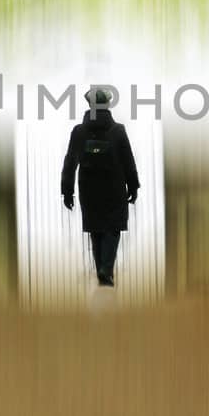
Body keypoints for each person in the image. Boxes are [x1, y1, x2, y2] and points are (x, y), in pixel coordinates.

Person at [60, 84, 141, 288]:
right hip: (114, 187)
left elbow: (70, 162)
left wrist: (67, 190)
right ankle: (106, 269)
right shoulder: (118, 130)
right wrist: (133, 186)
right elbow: (128, 160)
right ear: (107, 105)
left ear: (90, 105)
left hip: (89, 188)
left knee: (95, 228)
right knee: (112, 227)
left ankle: (101, 271)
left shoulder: (79, 131)